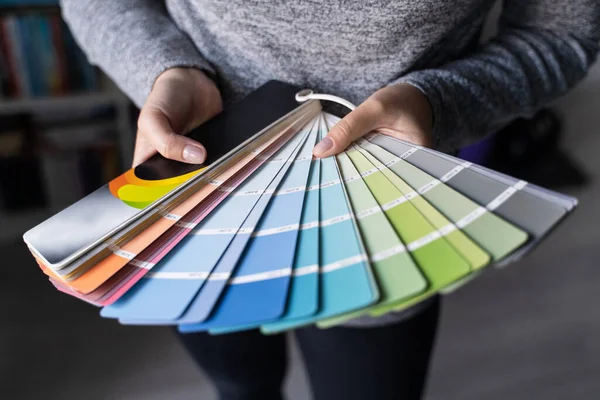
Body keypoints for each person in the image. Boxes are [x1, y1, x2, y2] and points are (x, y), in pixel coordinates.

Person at [61, 1, 600, 399]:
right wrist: (163, 69)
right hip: (199, 204)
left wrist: (437, 101)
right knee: (237, 383)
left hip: (380, 221)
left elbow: (562, 34)